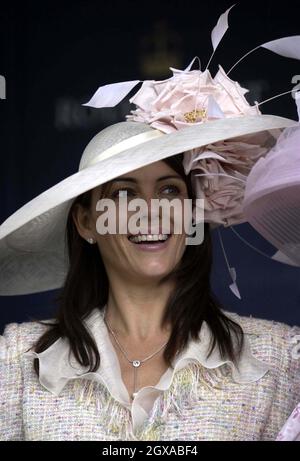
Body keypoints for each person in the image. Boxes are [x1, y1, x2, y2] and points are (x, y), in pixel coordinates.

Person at [0, 5, 299, 441]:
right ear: (86, 222)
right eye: (123, 194)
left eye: (169, 191)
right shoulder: (15, 363)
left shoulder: (280, 360)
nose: (151, 210)